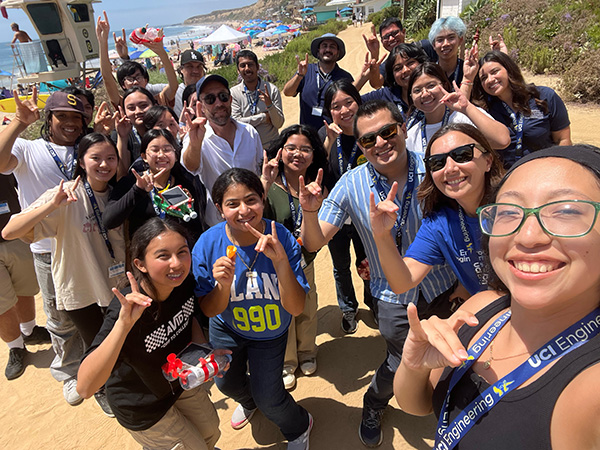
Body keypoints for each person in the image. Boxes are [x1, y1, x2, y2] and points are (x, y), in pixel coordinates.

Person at [394, 145, 600, 449]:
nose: (528, 236)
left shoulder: (591, 391)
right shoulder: (481, 309)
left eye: (565, 211)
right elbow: (418, 405)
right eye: (508, 212)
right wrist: (413, 365)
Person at [299, 100, 456, 447]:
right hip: (392, 296)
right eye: (369, 140)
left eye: (387, 132)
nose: (381, 143)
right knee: (402, 359)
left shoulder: (434, 170)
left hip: (444, 286)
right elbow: (314, 241)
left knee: (452, 351)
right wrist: (310, 212)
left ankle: (452, 404)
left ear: (401, 128)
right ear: (359, 145)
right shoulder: (350, 184)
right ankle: (374, 403)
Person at [2, 133, 126, 416]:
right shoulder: (64, 193)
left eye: (110, 158)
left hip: (115, 286)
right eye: (95, 158)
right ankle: (101, 390)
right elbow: (10, 231)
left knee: (119, 343)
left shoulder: (119, 193)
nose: (104, 164)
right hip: (80, 290)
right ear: (81, 161)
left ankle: (119, 385)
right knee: (96, 346)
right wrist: (51, 205)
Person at [77, 218, 223, 449]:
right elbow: (84, 387)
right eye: (163, 256)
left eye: (182, 252)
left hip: (178, 383)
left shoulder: (183, 284)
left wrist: (202, 352)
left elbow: (189, 319)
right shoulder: (126, 309)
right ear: (141, 264)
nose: (176, 264)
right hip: (142, 405)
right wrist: (123, 326)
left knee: (211, 433)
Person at [192, 168, 313, 449]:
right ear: (220, 208)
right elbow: (209, 311)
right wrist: (221, 286)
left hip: (271, 334)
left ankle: (298, 425)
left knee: (270, 398)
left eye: (251, 200)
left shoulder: (279, 236)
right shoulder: (208, 244)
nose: (244, 210)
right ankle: (249, 402)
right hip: (227, 328)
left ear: (263, 199)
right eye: (232, 204)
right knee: (226, 384)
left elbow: (296, 307)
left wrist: (282, 263)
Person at [0, 89, 88, 405]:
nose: (69, 122)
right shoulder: (27, 147)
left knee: (93, 308)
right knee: (58, 315)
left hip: (88, 243)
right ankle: (68, 371)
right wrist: (18, 124)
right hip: (46, 248)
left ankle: (96, 369)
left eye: (76, 117)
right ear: (48, 118)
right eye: (61, 115)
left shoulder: (87, 148)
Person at [371, 123, 504, 312]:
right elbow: (402, 282)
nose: (450, 168)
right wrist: (381, 235)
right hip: (494, 319)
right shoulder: (439, 223)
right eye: (437, 162)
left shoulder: (516, 209)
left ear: (488, 161)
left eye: (462, 155)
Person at [262, 125, 328, 390]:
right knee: (283, 311)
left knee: (308, 306)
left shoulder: (316, 184)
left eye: (305, 149)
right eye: (291, 148)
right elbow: (251, 209)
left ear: (313, 155)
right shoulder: (267, 182)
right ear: (280, 151)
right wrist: (265, 182)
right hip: (275, 263)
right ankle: (288, 361)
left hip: (305, 259)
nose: (297, 154)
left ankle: (307, 352)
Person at [319, 79, 374, 333]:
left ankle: (372, 303)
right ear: (330, 112)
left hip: (365, 213)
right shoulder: (326, 136)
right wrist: (329, 142)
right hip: (337, 217)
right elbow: (318, 173)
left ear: (358, 101)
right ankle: (348, 308)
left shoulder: (371, 132)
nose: (344, 110)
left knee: (367, 261)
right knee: (340, 265)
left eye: (348, 102)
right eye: (336, 106)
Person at [181, 75, 263, 227]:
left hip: (252, 217)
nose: (219, 103)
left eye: (223, 96)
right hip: (219, 223)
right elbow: (190, 167)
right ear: (201, 106)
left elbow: (259, 172)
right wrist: (196, 142)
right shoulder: (195, 137)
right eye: (210, 99)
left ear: (230, 99)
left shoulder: (250, 132)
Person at [104, 128, 207, 243]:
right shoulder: (131, 183)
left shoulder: (187, 184)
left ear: (176, 155)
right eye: (155, 150)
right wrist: (138, 190)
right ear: (144, 156)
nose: (161, 155)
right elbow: (109, 221)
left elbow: (196, 228)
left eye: (167, 150)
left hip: (179, 254)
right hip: (146, 254)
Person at [473, 51, 572, 168]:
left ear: (509, 70)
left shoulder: (544, 96)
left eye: (495, 72)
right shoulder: (484, 111)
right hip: (508, 178)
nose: (490, 80)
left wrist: (559, 170)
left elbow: (563, 140)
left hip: (546, 172)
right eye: (484, 78)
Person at [406, 63, 510, 160]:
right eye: (417, 90)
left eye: (431, 86)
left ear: (445, 86)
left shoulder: (465, 116)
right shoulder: (411, 136)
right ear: (411, 97)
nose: (424, 94)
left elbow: (502, 141)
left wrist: (466, 108)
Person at [0, 174, 49, 381]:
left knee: (24, 287)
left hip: (13, 234)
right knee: (1, 303)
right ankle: (16, 347)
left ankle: (29, 331)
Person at [96, 11, 179, 109]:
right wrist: (102, 41)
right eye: (130, 79)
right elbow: (107, 78)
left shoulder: (158, 101)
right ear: (123, 85)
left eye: (138, 77)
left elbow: (173, 85)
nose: (135, 82)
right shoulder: (124, 106)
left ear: (146, 80)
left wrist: (161, 52)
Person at [283, 33, 353, 131]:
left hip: (334, 134)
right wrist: (299, 76)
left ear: (337, 53)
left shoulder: (345, 77)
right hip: (308, 135)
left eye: (332, 47)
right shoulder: (306, 71)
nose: (328, 50)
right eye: (324, 46)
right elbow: (287, 92)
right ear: (318, 51)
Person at [361, 43, 429, 126]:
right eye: (398, 68)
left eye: (410, 63)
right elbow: (348, 101)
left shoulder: (435, 89)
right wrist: (363, 77)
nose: (405, 70)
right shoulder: (387, 95)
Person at [231, 50, 284, 150]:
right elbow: (236, 123)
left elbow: (279, 123)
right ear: (238, 70)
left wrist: (270, 106)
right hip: (246, 149)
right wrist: (264, 117)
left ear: (257, 67)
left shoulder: (271, 90)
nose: (247, 69)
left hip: (270, 147)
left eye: (250, 65)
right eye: (243, 66)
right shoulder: (234, 94)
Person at [362, 18, 436, 89]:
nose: (391, 39)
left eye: (394, 33)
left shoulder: (425, 47)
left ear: (403, 32)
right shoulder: (387, 65)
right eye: (386, 37)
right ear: (382, 42)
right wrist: (374, 57)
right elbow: (376, 84)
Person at [113, 86, 157, 173]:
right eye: (131, 108)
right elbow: (122, 175)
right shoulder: (121, 134)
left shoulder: (166, 129)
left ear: (154, 106)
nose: (138, 111)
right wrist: (122, 137)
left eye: (143, 105)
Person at [429, 17, 468, 87]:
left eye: (451, 38)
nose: (446, 44)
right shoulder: (428, 73)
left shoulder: (468, 71)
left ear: (460, 40)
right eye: (440, 40)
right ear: (433, 45)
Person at [174, 49, 206, 118]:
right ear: (181, 69)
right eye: (190, 66)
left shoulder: (210, 90)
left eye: (199, 66)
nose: (195, 71)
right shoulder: (175, 93)